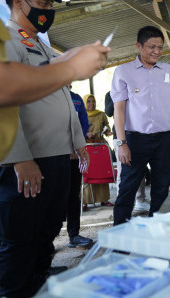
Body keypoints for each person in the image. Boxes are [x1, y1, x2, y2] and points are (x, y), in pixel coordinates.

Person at [0, 0, 108, 296]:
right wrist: (19, 158)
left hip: (57, 156)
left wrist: (77, 142)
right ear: (18, 0)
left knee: (46, 233)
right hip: (29, 161)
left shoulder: (42, 47)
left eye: (50, 7)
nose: (48, 12)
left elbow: (63, 98)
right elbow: (2, 99)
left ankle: (38, 280)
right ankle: (16, 289)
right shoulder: (5, 42)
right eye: (42, 4)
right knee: (19, 241)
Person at [111, 25, 170, 224]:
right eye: (152, 46)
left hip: (164, 139)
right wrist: (121, 143)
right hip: (135, 140)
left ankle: (157, 232)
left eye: (160, 47)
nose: (157, 51)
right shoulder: (123, 71)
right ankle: (120, 236)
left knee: (162, 187)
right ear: (139, 46)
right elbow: (118, 110)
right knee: (128, 187)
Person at [105, 91, 150, 213]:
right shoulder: (110, 94)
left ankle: (140, 201)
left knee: (140, 169)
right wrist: (119, 95)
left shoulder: (136, 89)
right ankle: (122, 202)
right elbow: (108, 112)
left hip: (137, 134)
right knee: (122, 171)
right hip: (120, 137)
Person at [67, 88, 93, 248]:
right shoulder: (45, 93)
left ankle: (73, 234)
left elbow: (82, 124)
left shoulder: (76, 99)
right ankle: (45, 242)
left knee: (73, 195)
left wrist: (77, 146)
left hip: (73, 154)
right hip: (50, 155)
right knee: (51, 197)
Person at [82, 94, 113, 208]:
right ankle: (84, 202)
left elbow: (107, 127)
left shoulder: (101, 114)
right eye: (88, 101)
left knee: (102, 172)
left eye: (93, 101)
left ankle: (104, 199)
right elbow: (77, 129)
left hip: (100, 147)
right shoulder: (82, 115)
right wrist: (86, 134)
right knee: (88, 173)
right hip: (87, 148)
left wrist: (107, 131)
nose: (91, 104)